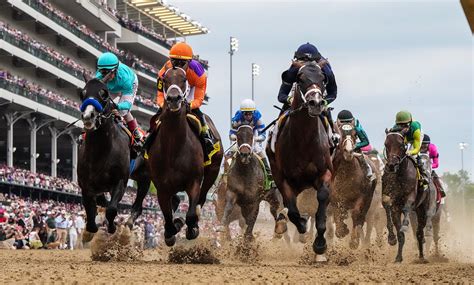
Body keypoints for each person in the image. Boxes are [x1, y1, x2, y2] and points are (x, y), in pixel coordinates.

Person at [155, 42, 215, 158]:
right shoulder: (163, 73)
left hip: (190, 88)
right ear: (170, 60)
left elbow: (198, 100)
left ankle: (206, 135)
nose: (177, 65)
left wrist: (189, 105)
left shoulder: (199, 73)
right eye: (174, 62)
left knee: (197, 113)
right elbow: (160, 96)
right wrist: (163, 105)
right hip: (173, 88)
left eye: (182, 63)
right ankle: (148, 137)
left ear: (189, 62)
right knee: (158, 114)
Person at [277, 43, 338, 143]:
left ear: (317, 60)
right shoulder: (293, 70)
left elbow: (333, 93)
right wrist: (290, 99)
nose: (307, 65)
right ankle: (274, 137)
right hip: (298, 99)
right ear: (298, 60)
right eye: (303, 61)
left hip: (319, 98)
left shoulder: (327, 71)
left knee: (326, 111)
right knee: (281, 119)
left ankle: (333, 135)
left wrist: (324, 102)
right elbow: (281, 95)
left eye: (311, 61)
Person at [95, 52, 145, 148]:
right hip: (112, 87)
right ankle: (85, 132)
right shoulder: (98, 76)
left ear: (115, 70)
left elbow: (127, 104)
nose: (105, 76)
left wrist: (117, 106)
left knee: (123, 111)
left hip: (127, 84)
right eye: (102, 72)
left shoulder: (127, 79)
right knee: (98, 106)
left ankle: (136, 136)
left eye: (107, 73)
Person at [229, 99, 273, 183]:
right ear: (242, 113)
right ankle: (227, 172)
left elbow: (263, 135)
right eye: (246, 113)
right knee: (233, 149)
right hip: (241, 137)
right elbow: (231, 135)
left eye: (250, 113)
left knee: (258, 149)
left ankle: (268, 172)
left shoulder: (258, 118)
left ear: (254, 112)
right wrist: (236, 137)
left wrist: (254, 139)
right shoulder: (236, 120)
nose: (248, 115)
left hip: (254, 134)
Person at [393, 110, 429, 189]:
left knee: (414, 155)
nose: (402, 127)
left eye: (405, 125)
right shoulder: (395, 127)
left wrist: (410, 152)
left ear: (409, 123)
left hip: (415, 137)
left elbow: (416, 149)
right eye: (400, 125)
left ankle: (423, 175)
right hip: (406, 138)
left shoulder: (415, 129)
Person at [337, 110, 374, 181]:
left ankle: (368, 171)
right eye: (343, 122)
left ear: (352, 121)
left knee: (361, 157)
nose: (345, 124)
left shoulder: (357, 126)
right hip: (340, 149)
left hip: (353, 149)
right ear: (339, 121)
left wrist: (354, 146)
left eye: (348, 122)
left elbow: (366, 141)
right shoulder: (335, 126)